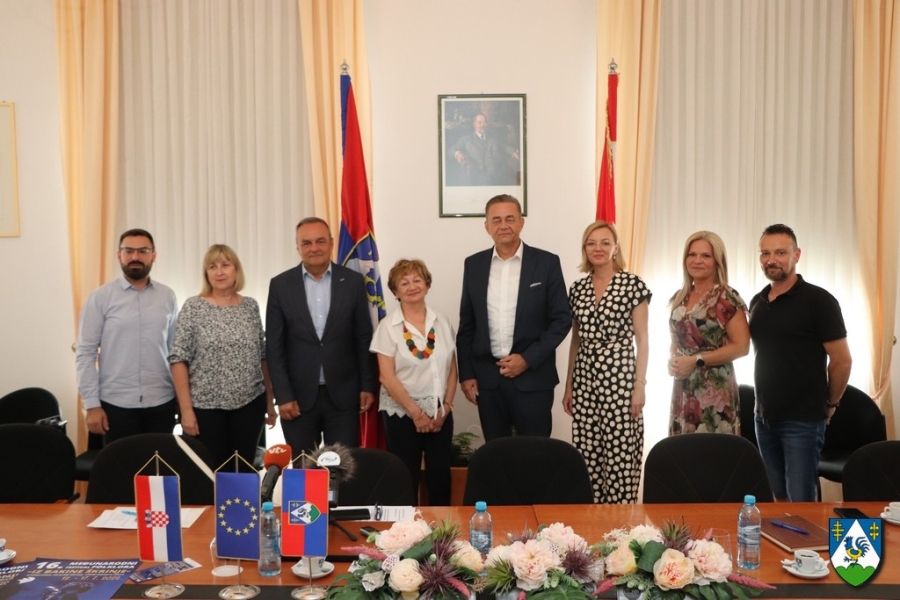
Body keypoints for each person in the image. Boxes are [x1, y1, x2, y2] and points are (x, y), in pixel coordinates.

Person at [749, 224, 851, 502]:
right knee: (777, 498)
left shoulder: (820, 301)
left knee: (802, 502)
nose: (771, 259)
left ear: (797, 255)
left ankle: (806, 536)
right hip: (763, 418)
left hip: (802, 421)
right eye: (765, 253)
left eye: (780, 252)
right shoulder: (758, 302)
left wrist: (831, 404)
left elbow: (842, 360)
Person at [456, 194, 571, 441]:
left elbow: (562, 319)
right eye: (496, 220)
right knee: (497, 455)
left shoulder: (547, 263)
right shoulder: (473, 265)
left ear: (521, 222)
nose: (503, 225)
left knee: (536, 454)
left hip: (533, 379)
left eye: (510, 219)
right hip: (488, 382)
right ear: (486, 226)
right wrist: (466, 374)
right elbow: (467, 325)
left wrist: (527, 359)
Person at [266, 217, 377, 453]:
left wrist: (367, 385)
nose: (314, 248)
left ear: (331, 243)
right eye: (306, 243)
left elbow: (363, 337)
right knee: (303, 468)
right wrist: (283, 395)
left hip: (344, 397)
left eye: (320, 241)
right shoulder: (280, 285)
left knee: (344, 467)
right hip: (297, 399)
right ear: (297, 247)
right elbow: (274, 347)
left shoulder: (353, 282)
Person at [563, 220, 650, 504]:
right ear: (584, 249)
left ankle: (621, 524)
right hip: (585, 379)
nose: (597, 248)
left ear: (615, 248)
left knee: (620, 453)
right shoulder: (577, 289)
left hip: (620, 377)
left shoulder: (632, 284)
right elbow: (575, 341)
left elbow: (643, 339)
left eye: (604, 242)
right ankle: (591, 525)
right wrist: (569, 386)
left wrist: (639, 386)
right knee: (587, 454)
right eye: (591, 243)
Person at [168, 244, 276, 470]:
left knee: (243, 471)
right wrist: (186, 411)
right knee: (210, 473)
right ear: (206, 273)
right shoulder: (193, 307)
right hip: (205, 409)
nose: (219, 272)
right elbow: (178, 359)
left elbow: (262, 356)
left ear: (236, 269)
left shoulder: (250, 306)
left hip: (249, 405)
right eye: (212, 266)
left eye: (225, 265)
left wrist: (269, 403)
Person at [75, 228, 178, 444]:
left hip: (161, 403)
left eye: (143, 251)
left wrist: (181, 400)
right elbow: (85, 353)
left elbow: (175, 353)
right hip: (116, 405)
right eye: (128, 251)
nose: (135, 257)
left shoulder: (167, 296)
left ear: (154, 255)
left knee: (159, 464)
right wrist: (92, 405)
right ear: (119, 255)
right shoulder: (100, 298)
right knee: (122, 465)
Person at [370, 259, 457, 505]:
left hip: (440, 415)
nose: (412, 286)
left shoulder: (442, 322)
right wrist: (416, 414)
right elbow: (386, 377)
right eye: (404, 283)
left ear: (427, 285)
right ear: (395, 291)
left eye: (417, 280)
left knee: (440, 477)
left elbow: (452, 368)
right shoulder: (387, 327)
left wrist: (446, 407)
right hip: (402, 415)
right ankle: (407, 528)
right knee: (405, 478)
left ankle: (442, 527)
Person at [667, 231, 750, 435]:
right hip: (683, 387)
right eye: (692, 254)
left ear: (717, 261)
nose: (697, 261)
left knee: (712, 451)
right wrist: (673, 361)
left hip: (715, 392)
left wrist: (696, 361)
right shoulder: (680, 296)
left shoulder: (726, 297)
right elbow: (677, 340)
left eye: (705, 256)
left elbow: (742, 347)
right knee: (682, 450)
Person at [450, 113, 520, 186]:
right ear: (474, 124)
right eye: (479, 122)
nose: (483, 125)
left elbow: (503, 146)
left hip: (500, 173)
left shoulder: (493, 137)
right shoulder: (466, 139)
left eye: (485, 122)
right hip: (482, 176)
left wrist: (514, 151)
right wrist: (457, 153)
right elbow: (451, 150)